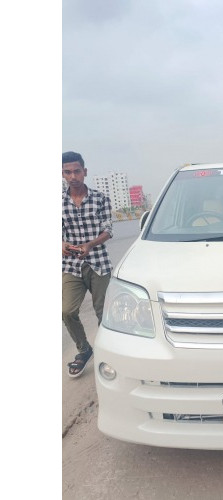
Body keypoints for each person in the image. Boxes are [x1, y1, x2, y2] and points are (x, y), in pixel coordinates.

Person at [62, 151, 113, 378]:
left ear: (85, 172)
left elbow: (108, 230)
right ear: (62, 174)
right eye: (67, 172)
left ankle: (107, 351)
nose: (72, 176)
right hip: (71, 265)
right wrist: (61, 243)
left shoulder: (100, 198)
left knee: (104, 312)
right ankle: (84, 350)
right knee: (66, 310)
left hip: (98, 262)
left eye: (76, 171)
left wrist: (90, 244)